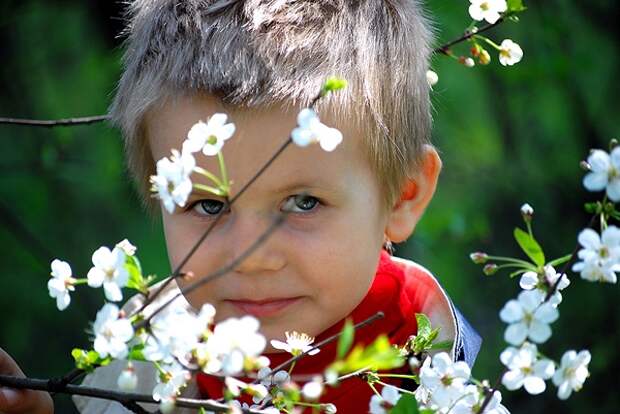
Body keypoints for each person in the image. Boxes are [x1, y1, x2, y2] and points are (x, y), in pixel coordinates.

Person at [0, 0, 481, 412]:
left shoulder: (427, 367)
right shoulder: (146, 360)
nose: (250, 256)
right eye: (209, 206)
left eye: (303, 202)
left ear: (403, 196)